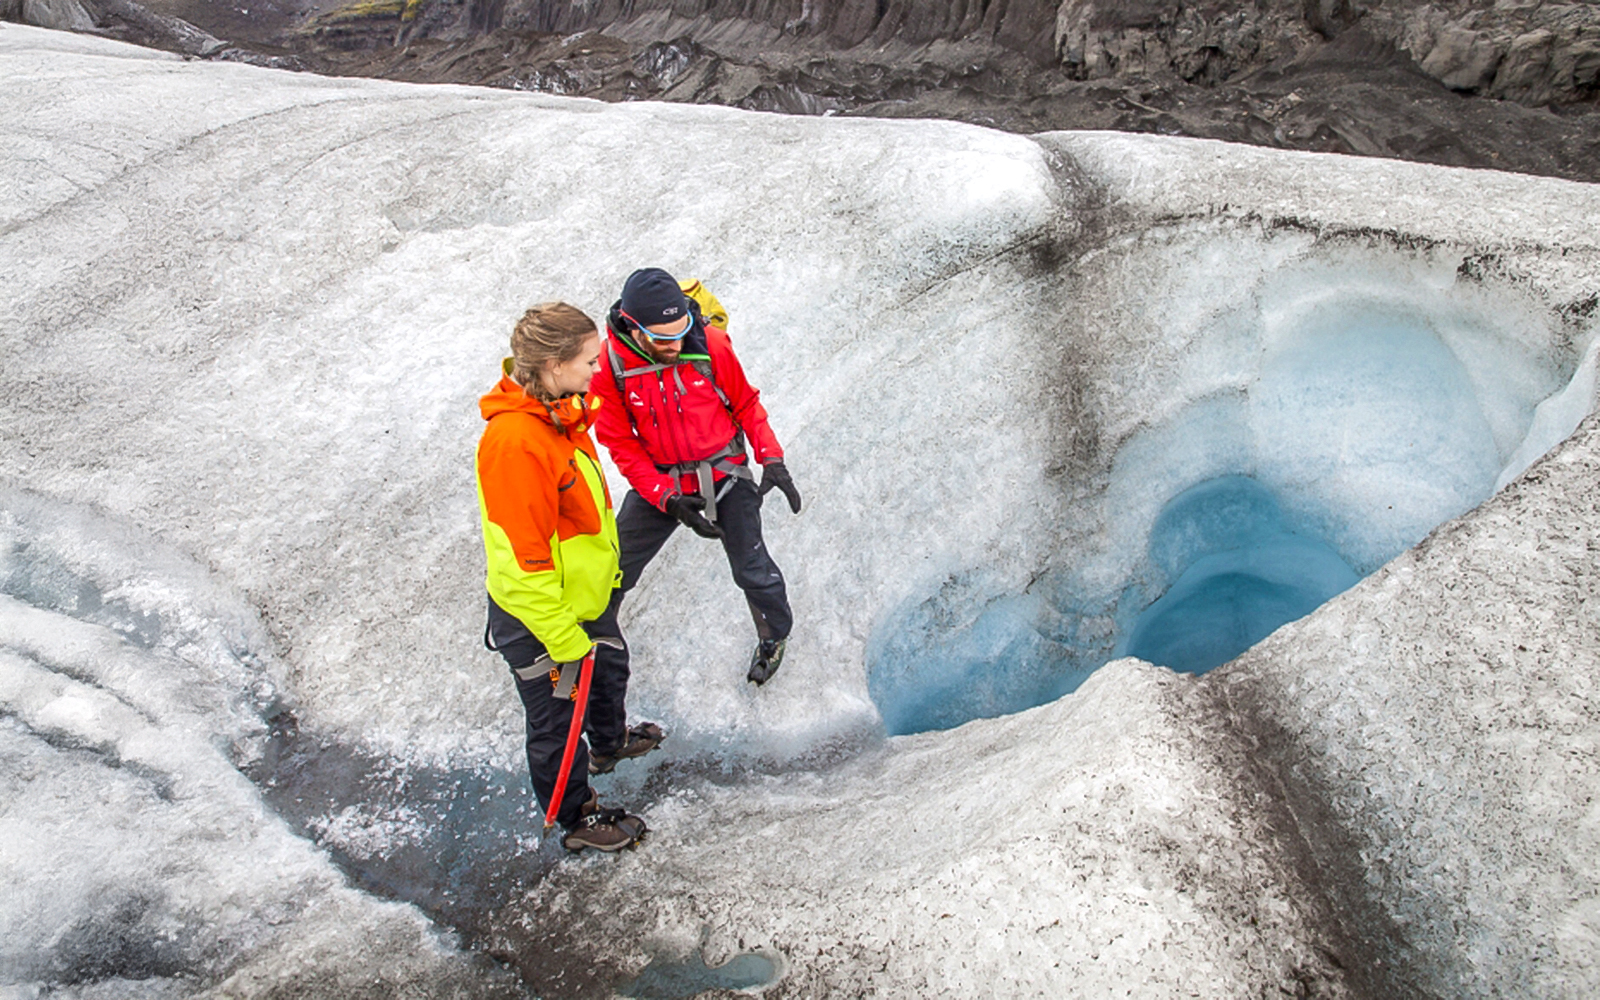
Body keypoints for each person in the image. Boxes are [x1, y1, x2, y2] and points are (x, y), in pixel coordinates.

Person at [475, 302, 660, 853]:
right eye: (588, 360)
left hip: (581, 601)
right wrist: (562, 641)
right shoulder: (516, 443)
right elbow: (521, 558)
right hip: (543, 620)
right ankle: (577, 818)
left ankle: (608, 744)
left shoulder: (558, 415)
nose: (597, 371)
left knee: (610, 671)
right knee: (558, 717)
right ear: (554, 365)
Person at [592, 267, 802, 686]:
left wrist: (771, 458)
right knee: (610, 572)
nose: (675, 344)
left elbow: (745, 404)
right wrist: (664, 496)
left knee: (752, 569)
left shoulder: (711, 345)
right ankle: (592, 647)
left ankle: (774, 636)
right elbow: (619, 441)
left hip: (725, 472)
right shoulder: (609, 364)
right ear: (633, 328)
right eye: (662, 337)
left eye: (681, 331)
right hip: (662, 480)